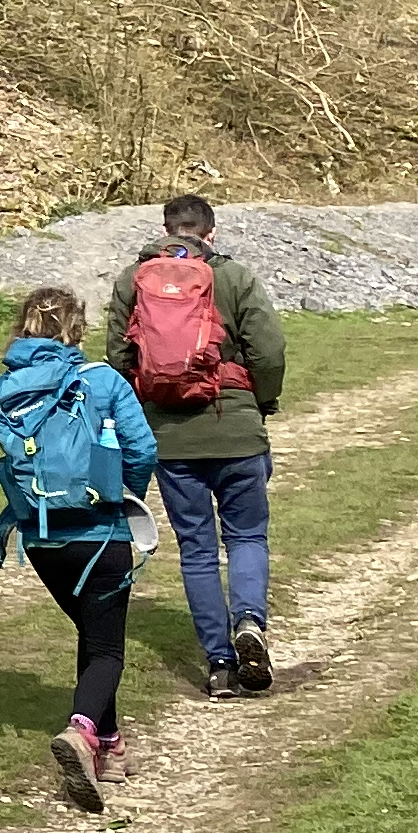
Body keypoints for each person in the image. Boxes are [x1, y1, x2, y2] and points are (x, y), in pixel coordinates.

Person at [104, 192, 287, 697]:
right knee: (247, 536)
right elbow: (268, 349)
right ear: (212, 233)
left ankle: (220, 664)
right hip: (237, 429)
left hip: (170, 440)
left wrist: (142, 415)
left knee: (197, 550)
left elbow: (118, 356)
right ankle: (249, 620)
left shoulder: (133, 280)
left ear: (165, 229)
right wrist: (262, 403)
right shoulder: (234, 277)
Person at [0, 284, 158, 810]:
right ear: (76, 328)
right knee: (107, 648)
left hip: (42, 538)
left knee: (92, 630)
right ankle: (82, 732)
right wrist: (122, 494)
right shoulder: (104, 380)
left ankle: (109, 748)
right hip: (99, 533)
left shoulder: (9, 389)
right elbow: (143, 447)